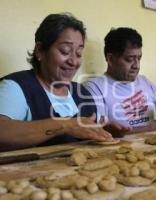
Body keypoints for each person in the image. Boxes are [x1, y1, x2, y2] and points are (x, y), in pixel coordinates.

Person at [0, 13, 129, 152]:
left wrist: (102, 132)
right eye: (65, 51)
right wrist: (65, 125)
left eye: (79, 54)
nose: (73, 61)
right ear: (40, 51)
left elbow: (83, 133)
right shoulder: (15, 87)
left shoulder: (82, 93)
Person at [84, 27, 156, 133]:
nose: (136, 66)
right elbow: (99, 131)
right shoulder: (94, 87)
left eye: (139, 58)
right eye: (129, 59)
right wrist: (148, 128)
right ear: (110, 59)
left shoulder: (144, 81)